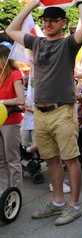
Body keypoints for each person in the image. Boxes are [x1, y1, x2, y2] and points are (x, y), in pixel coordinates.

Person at [6, 0, 82, 226]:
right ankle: (57, 203)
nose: (47, 23)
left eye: (53, 20)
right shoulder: (37, 42)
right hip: (41, 112)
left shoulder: (68, 44)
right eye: (45, 20)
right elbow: (11, 29)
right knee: (52, 160)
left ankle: (74, 205)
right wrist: (32, 5)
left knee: (70, 159)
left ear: (63, 23)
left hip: (63, 111)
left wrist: (80, 2)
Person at [0, 44, 25, 193]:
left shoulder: (15, 74)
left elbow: (20, 99)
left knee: (12, 160)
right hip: (1, 120)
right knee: (1, 161)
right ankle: (3, 193)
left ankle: (16, 193)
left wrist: (2, 101)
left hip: (11, 121)